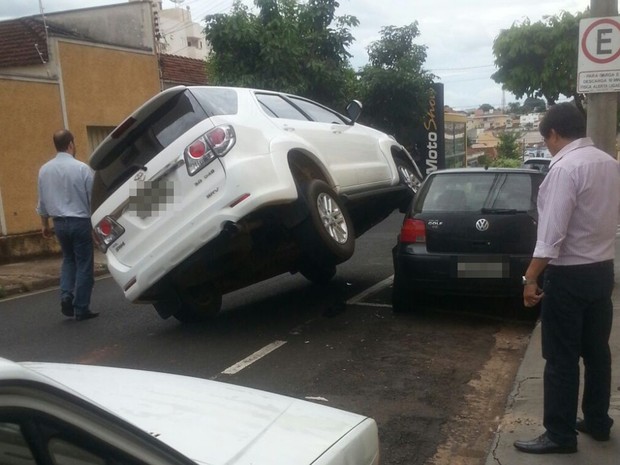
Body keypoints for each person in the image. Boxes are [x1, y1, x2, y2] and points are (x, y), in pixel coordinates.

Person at [514, 102, 620, 454]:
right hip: (602, 271)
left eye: (547, 141)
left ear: (555, 134)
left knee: (560, 358)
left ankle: (560, 435)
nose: (548, 147)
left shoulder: (565, 169)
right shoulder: (610, 164)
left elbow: (551, 236)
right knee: (597, 352)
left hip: (569, 275)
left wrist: (530, 277)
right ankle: (597, 421)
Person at [36, 129, 99, 322]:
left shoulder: (44, 170)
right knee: (84, 263)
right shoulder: (81, 168)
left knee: (69, 260)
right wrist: (95, 226)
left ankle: (66, 295)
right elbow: (92, 199)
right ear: (71, 144)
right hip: (80, 221)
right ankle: (81, 308)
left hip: (59, 223)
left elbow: (42, 201)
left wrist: (45, 224)